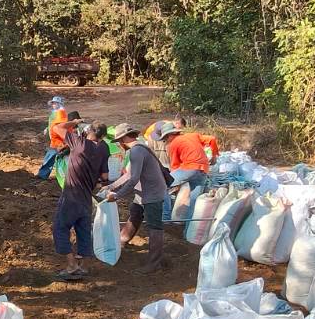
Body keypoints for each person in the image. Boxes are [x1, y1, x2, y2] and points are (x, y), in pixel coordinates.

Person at [104, 122, 169, 271]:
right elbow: (129, 174)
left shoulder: (136, 151)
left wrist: (117, 195)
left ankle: (154, 263)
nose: (119, 144)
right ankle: (122, 241)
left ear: (125, 138)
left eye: (120, 140)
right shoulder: (138, 149)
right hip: (144, 191)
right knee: (135, 213)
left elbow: (133, 179)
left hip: (152, 193)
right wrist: (111, 186)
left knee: (154, 226)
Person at [54, 120, 111, 280]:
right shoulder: (104, 148)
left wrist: (73, 122)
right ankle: (84, 267)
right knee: (84, 230)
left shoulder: (79, 143)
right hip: (87, 197)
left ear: (89, 131)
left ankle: (71, 265)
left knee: (60, 227)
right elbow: (105, 176)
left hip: (71, 195)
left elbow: (57, 128)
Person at [157, 120, 213, 194]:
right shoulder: (192, 136)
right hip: (204, 169)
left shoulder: (174, 143)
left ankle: (166, 204)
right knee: (193, 198)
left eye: (165, 139)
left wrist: (175, 182)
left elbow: (175, 166)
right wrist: (214, 156)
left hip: (191, 168)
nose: (166, 141)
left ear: (169, 135)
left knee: (164, 183)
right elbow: (212, 139)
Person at [36, 96, 68, 180]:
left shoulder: (61, 113)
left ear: (60, 104)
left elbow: (61, 126)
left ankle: (42, 175)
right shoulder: (55, 112)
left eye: (55, 103)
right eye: (53, 103)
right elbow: (53, 123)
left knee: (50, 157)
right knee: (55, 157)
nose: (53, 104)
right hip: (55, 139)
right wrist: (47, 128)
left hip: (58, 141)